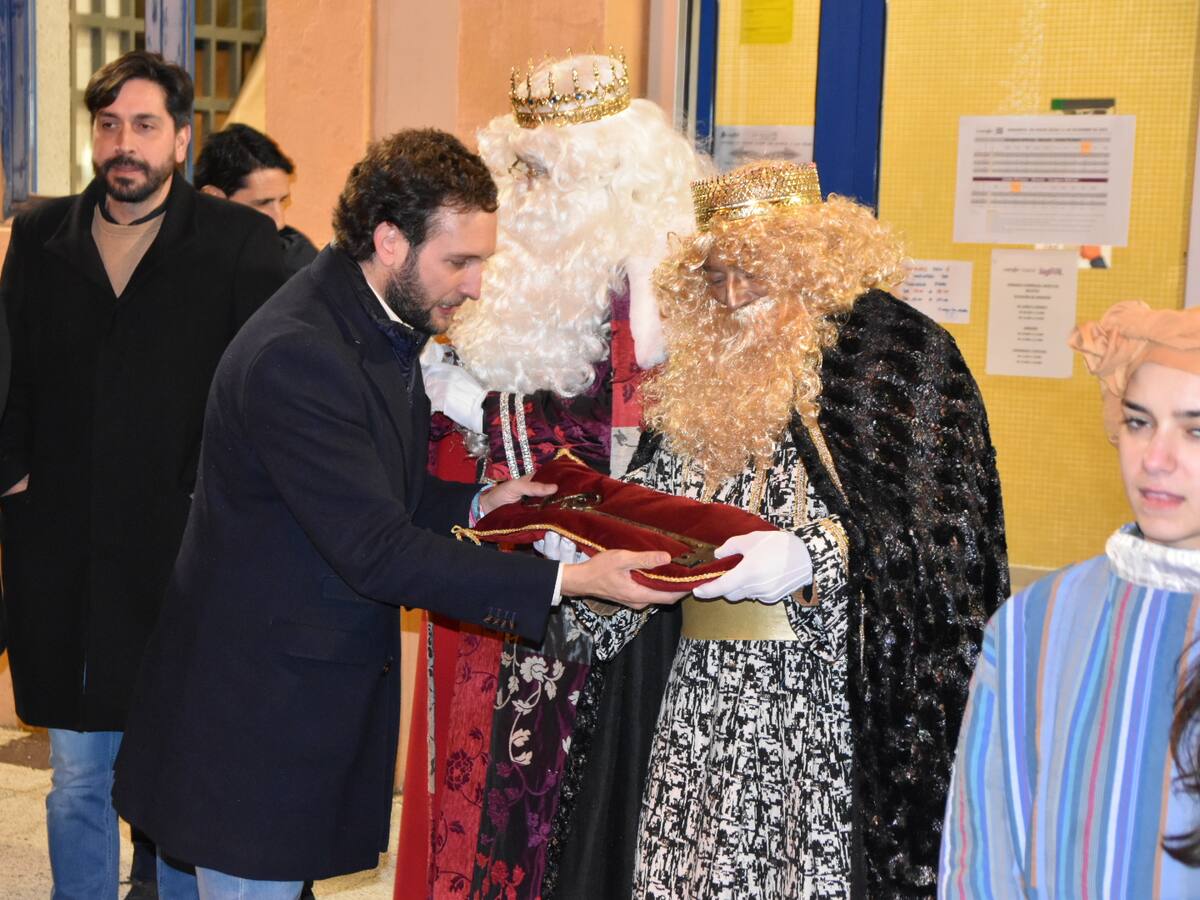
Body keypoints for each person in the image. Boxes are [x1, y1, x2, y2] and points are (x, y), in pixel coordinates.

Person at [110, 128, 682, 898]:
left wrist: (479, 499)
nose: (476, 285)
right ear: (388, 239)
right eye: (460, 262)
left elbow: (367, 487)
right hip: (252, 723)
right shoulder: (301, 353)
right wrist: (571, 583)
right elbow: (376, 549)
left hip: (285, 698)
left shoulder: (368, 319)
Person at [544, 159, 1010, 897]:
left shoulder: (895, 358)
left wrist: (815, 553)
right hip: (696, 703)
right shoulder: (699, 375)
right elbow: (654, 516)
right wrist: (585, 553)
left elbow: (946, 539)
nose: (732, 298)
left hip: (819, 709)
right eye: (717, 278)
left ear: (807, 267)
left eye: (751, 276)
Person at [395, 51, 709, 899]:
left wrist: (472, 407)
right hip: (481, 570)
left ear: (609, 176)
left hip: (594, 597)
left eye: (546, 171)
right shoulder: (486, 274)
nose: (527, 192)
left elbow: (624, 446)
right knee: (466, 789)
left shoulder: (649, 292)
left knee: (572, 810)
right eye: (518, 168)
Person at [0, 50, 286, 900]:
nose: (125, 144)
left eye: (145, 126)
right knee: (79, 779)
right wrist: (12, 476)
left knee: (177, 774)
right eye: (109, 124)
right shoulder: (38, 238)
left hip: (184, 555)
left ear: (182, 138)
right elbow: (9, 377)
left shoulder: (239, 243)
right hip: (65, 557)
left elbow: (267, 389)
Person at [941, 301, 1200, 897]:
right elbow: (983, 845)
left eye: (1194, 429)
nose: (1155, 460)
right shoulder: (1040, 622)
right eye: (1139, 422)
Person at [194, 123, 319, 275]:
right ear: (213, 197)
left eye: (282, 201)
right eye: (263, 203)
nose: (280, 222)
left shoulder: (296, 262)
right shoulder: (173, 261)